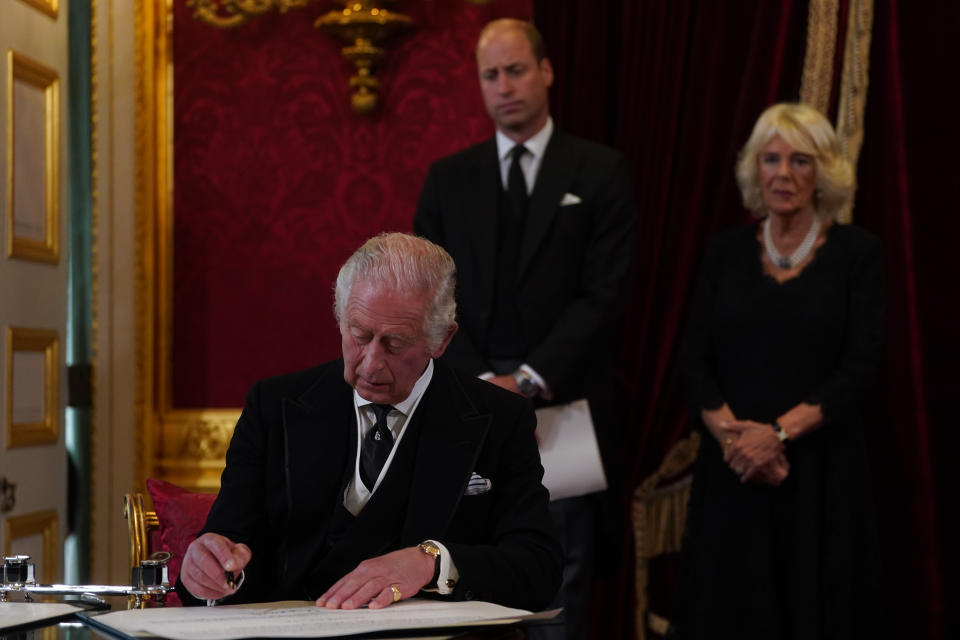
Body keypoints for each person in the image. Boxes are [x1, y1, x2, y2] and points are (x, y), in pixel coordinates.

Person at [175, 233, 562, 612]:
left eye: (395, 344)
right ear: (340, 319)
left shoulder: (500, 418)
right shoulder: (274, 407)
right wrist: (210, 571)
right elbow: (231, 547)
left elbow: (538, 569)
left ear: (441, 340)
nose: (371, 363)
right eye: (359, 335)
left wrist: (432, 563)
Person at [413, 18, 636, 640]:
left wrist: (528, 379)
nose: (505, 86)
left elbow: (605, 293)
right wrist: (485, 382)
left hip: (561, 414)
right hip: (465, 413)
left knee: (561, 593)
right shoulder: (449, 179)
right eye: (491, 75)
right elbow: (428, 296)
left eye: (516, 70)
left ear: (546, 72)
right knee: (463, 590)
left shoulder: (599, 172)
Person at [673, 103, 884, 639]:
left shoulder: (859, 254)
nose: (783, 174)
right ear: (754, 170)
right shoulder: (724, 253)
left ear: (823, 174)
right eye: (771, 159)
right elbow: (694, 358)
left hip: (818, 474)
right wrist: (739, 442)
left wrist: (779, 434)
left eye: (800, 161)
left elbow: (861, 366)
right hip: (733, 470)